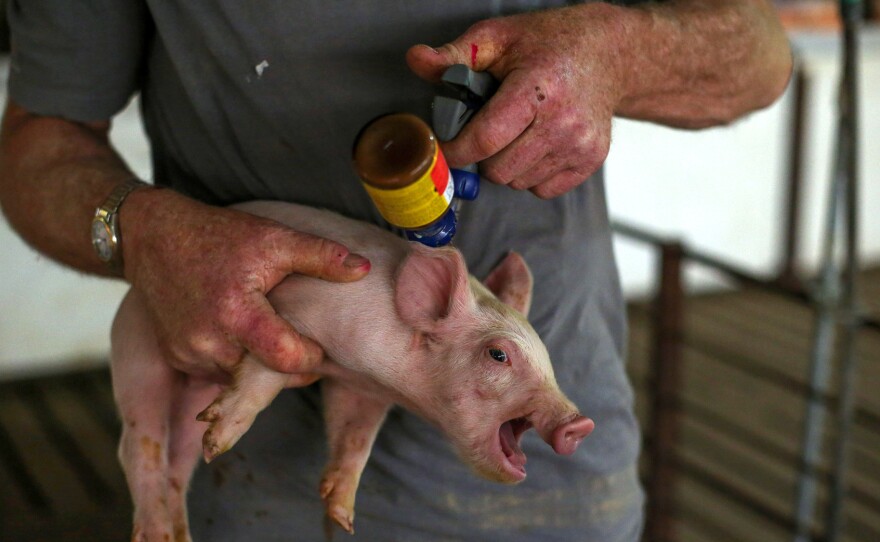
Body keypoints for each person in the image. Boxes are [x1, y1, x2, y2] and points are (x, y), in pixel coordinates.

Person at [0, 1, 791, 540]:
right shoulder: (404, 304)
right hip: (249, 478)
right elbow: (43, 138)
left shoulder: (454, 328)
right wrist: (138, 232)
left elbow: (762, 51)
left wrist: (621, 52)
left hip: (550, 503)